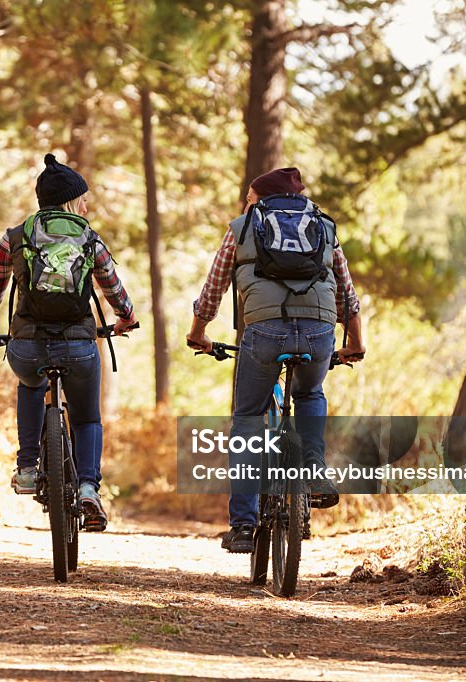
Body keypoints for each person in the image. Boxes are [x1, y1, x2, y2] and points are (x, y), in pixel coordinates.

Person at [186, 167, 365, 553]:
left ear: (261, 199)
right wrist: (355, 342)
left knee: (248, 418)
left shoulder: (242, 227)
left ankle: (243, 526)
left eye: (249, 199)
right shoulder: (324, 227)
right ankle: (314, 470)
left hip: (264, 332)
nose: (245, 205)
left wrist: (198, 332)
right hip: (319, 332)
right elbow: (346, 293)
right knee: (310, 393)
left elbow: (214, 287)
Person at [0, 153, 137, 532]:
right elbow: (113, 288)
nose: (87, 205)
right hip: (79, 345)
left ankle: (27, 469)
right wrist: (125, 318)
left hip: (27, 344)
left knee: (30, 383)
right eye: (83, 198)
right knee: (87, 417)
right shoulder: (88, 237)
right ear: (71, 201)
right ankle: (90, 487)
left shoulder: (15, 236)